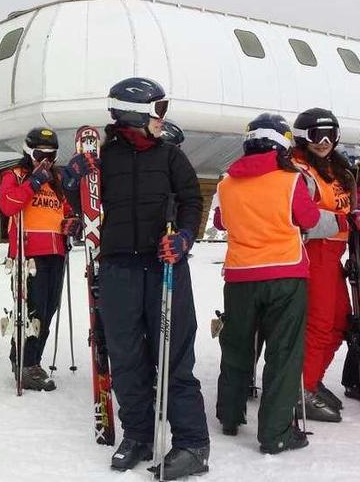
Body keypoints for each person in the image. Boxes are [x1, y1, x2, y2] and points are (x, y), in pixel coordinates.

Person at [64, 77, 209, 477]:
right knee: (126, 357)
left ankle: (193, 444)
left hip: (165, 266)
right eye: (157, 110)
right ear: (134, 113)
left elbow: (192, 201)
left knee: (174, 356)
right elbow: (77, 205)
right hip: (119, 269)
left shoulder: (170, 157)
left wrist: (183, 237)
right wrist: (72, 177)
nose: (163, 119)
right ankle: (139, 435)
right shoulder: (103, 160)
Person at [213, 113, 343, 455]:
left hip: (240, 278)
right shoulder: (290, 181)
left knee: (238, 345)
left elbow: (220, 221)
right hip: (285, 276)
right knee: (283, 354)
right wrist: (343, 220)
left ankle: (229, 414)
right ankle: (276, 433)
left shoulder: (226, 183)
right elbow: (311, 220)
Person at [292, 108, 360, 421]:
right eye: (316, 135)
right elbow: (299, 217)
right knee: (319, 324)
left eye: (329, 135)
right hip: (313, 252)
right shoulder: (297, 168)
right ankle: (299, 390)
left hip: (334, 255)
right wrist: (344, 220)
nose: (323, 142)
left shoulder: (338, 167)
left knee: (339, 323)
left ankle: (310, 379)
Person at [0, 127, 75, 391]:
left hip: (56, 251)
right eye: (41, 154)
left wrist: (71, 222)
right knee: (32, 311)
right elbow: (8, 205)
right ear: (28, 151)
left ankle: (32, 360)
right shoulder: (16, 175)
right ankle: (25, 362)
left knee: (48, 310)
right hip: (28, 252)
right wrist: (33, 182)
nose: (46, 161)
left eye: (51, 156)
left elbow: (64, 209)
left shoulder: (54, 180)